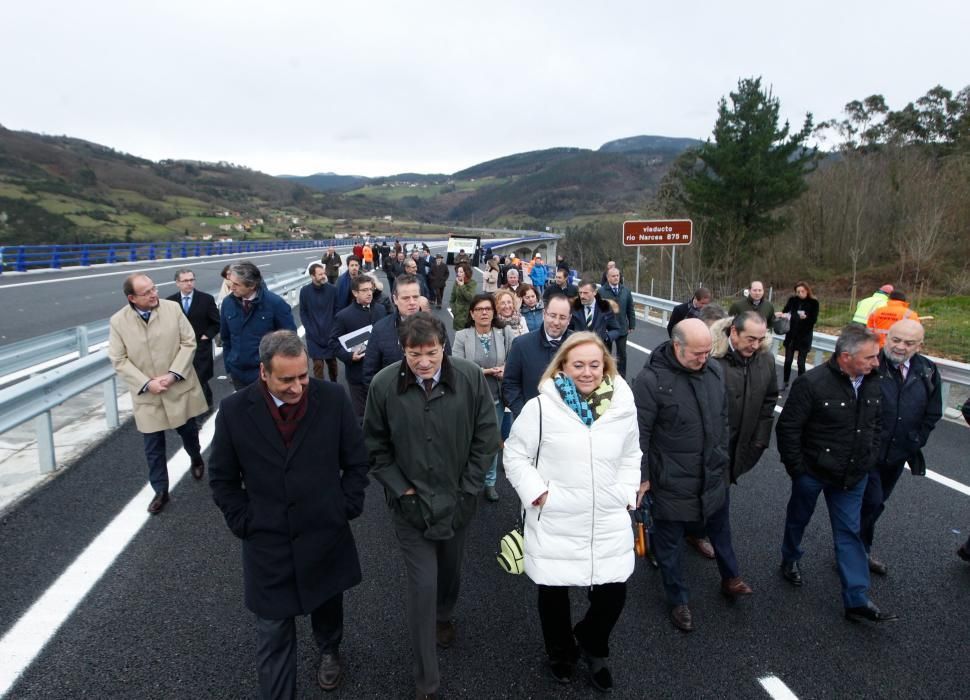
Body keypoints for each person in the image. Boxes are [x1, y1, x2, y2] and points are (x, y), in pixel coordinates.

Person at [209, 331, 368, 698]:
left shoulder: (331, 398)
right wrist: (242, 520)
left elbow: (356, 460)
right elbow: (222, 477)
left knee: (327, 602)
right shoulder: (235, 411)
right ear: (264, 373)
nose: (298, 387)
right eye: (287, 380)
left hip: (325, 530)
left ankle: (329, 649)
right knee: (273, 634)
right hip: (267, 541)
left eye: (302, 377)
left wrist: (346, 505)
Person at [363, 313, 500, 700]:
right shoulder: (384, 384)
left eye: (431, 353)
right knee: (422, 585)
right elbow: (374, 445)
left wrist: (470, 488)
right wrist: (401, 490)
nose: (423, 362)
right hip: (411, 507)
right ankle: (427, 681)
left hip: (458, 502)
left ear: (444, 346)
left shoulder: (470, 377)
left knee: (450, 573)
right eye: (413, 354)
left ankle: (445, 614)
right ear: (403, 350)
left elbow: (486, 436)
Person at [504, 333, 641, 691]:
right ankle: (560, 652)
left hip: (608, 516)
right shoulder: (541, 409)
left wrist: (627, 492)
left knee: (613, 594)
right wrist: (538, 494)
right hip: (556, 517)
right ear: (562, 366)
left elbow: (632, 453)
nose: (587, 372)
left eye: (595, 364)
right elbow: (515, 455)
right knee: (553, 594)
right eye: (578, 364)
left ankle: (594, 645)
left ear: (606, 366)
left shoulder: (623, 405)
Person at [775, 325, 898, 623]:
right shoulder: (811, 384)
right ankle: (790, 558)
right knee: (798, 519)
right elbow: (788, 429)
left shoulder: (873, 381)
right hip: (813, 472)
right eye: (870, 357)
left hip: (853, 475)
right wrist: (799, 470)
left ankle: (856, 598)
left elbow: (876, 423)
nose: (876, 363)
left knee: (849, 533)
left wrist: (868, 458)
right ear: (846, 357)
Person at [632, 319, 729, 632]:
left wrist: (721, 456)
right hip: (669, 478)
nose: (704, 359)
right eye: (698, 353)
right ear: (677, 346)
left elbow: (722, 419)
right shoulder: (650, 381)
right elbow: (639, 434)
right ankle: (678, 600)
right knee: (670, 543)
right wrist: (644, 477)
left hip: (708, 473)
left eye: (708, 352)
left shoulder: (714, 371)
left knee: (708, 528)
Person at [108, 273, 208, 513]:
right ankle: (160, 491)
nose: (154, 294)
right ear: (132, 298)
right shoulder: (118, 322)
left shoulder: (172, 309)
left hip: (176, 385)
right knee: (153, 446)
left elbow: (189, 342)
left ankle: (195, 457)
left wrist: (174, 374)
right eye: (147, 292)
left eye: (154, 289)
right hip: (148, 393)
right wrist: (146, 383)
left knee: (188, 431)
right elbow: (118, 359)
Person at [861, 319, 942, 574]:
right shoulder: (871, 364)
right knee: (871, 501)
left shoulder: (927, 371)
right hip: (867, 451)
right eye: (896, 340)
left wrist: (916, 440)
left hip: (899, 453)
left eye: (908, 343)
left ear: (919, 345)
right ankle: (856, 553)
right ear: (887, 337)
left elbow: (933, 412)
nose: (900, 347)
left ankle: (857, 548)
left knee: (879, 502)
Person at [709, 311, 779, 598]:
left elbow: (769, 401)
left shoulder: (765, 360)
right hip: (706, 451)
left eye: (761, 339)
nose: (756, 344)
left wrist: (760, 441)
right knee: (716, 512)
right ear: (733, 333)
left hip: (739, 452)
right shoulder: (711, 359)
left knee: (715, 508)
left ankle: (696, 535)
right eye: (750, 338)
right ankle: (731, 575)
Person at [453, 294, 518, 502]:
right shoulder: (462, 336)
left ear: (493, 312)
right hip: (470, 400)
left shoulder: (504, 333)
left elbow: (514, 361)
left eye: (488, 309)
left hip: (497, 399)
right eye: (479, 309)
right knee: (468, 442)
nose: (484, 313)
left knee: (491, 442)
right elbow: (456, 366)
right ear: (471, 313)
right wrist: (486, 371)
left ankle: (490, 483)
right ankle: (468, 480)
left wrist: (505, 370)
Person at [221, 261, 297, 390]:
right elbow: (226, 338)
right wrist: (229, 366)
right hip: (237, 374)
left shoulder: (275, 304)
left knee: (267, 409)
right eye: (230, 282)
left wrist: (278, 370)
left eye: (236, 284)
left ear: (251, 285)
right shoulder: (227, 303)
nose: (231, 287)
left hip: (266, 374)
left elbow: (289, 340)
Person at [363, 275, 451, 386]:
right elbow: (370, 373)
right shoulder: (380, 329)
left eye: (415, 297)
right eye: (406, 298)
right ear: (395, 299)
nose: (412, 302)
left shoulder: (437, 325)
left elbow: (448, 362)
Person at [503, 294, 573, 419]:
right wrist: (523, 414)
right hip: (531, 422)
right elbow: (510, 384)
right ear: (544, 314)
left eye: (562, 317)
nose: (556, 322)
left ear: (569, 319)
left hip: (570, 423)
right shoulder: (521, 344)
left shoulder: (579, 345)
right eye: (552, 315)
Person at [328, 275, 388, 418]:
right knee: (362, 416)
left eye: (371, 289)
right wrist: (349, 356)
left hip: (380, 373)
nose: (369, 293)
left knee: (382, 413)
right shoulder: (343, 316)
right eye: (364, 290)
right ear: (355, 293)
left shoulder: (381, 310)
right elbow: (333, 342)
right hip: (357, 375)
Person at [167, 267, 220, 407]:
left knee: (200, 380)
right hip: (180, 350)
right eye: (185, 281)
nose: (189, 283)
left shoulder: (206, 299)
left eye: (191, 280)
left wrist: (206, 336)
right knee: (183, 381)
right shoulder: (170, 302)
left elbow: (216, 323)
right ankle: (190, 411)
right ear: (177, 283)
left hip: (201, 348)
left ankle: (206, 409)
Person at [300, 263, 339, 382]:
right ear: (312, 276)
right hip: (313, 336)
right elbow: (303, 312)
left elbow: (337, 311)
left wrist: (334, 331)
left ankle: (334, 385)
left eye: (324, 273)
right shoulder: (305, 291)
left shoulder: (332, 290)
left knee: (332, 364)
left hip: (330, 334)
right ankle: (321, 389)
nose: (324, 276)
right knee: (318, 366)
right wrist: (309, 329)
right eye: (320, 274)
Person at [780, 281, 820, 390]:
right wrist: (783, 315)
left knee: (801, 363)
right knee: (788, 360)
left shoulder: (813, 303)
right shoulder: (793, 301)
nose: (800, 293)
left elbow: (814, 320)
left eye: (802, 291)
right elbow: (785, 311)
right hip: (791, 335)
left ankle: (801, 385)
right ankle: (785, 382)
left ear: (807, 291)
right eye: (798, 291)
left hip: (804, 336)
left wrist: (806, 318)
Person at [597, 267, 636, 378]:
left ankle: (622, 377)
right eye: (613, 276)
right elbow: (598, 311)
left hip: (622, 328)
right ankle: (606, 377)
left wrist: (632, 324)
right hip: (607, 329)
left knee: (622, 355)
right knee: (606, 354)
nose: (616, 278)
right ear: (608, 277)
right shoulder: (601, 292)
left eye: (618, 275)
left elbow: (630, 308)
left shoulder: (626, 291)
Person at [569, 281, 620, 351]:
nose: (582, 296)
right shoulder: (573, 308)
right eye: (580, 293)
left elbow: (616, 329)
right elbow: (567, 329)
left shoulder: (605, 308)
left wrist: (606, 338)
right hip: (578, 350)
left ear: (594, 292)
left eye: (585, 293)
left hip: (599, 351)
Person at [449, 261, 477, 331]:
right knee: (458, 337)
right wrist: (453, 309)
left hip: (468, 315)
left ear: (466, 272)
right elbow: (452, 298)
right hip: (458, 315)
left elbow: (470, 298)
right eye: (458, 272)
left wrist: (462, 286)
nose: (458, 274)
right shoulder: (456, 282)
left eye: (461, 272)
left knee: (468, 337)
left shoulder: (472, 283)